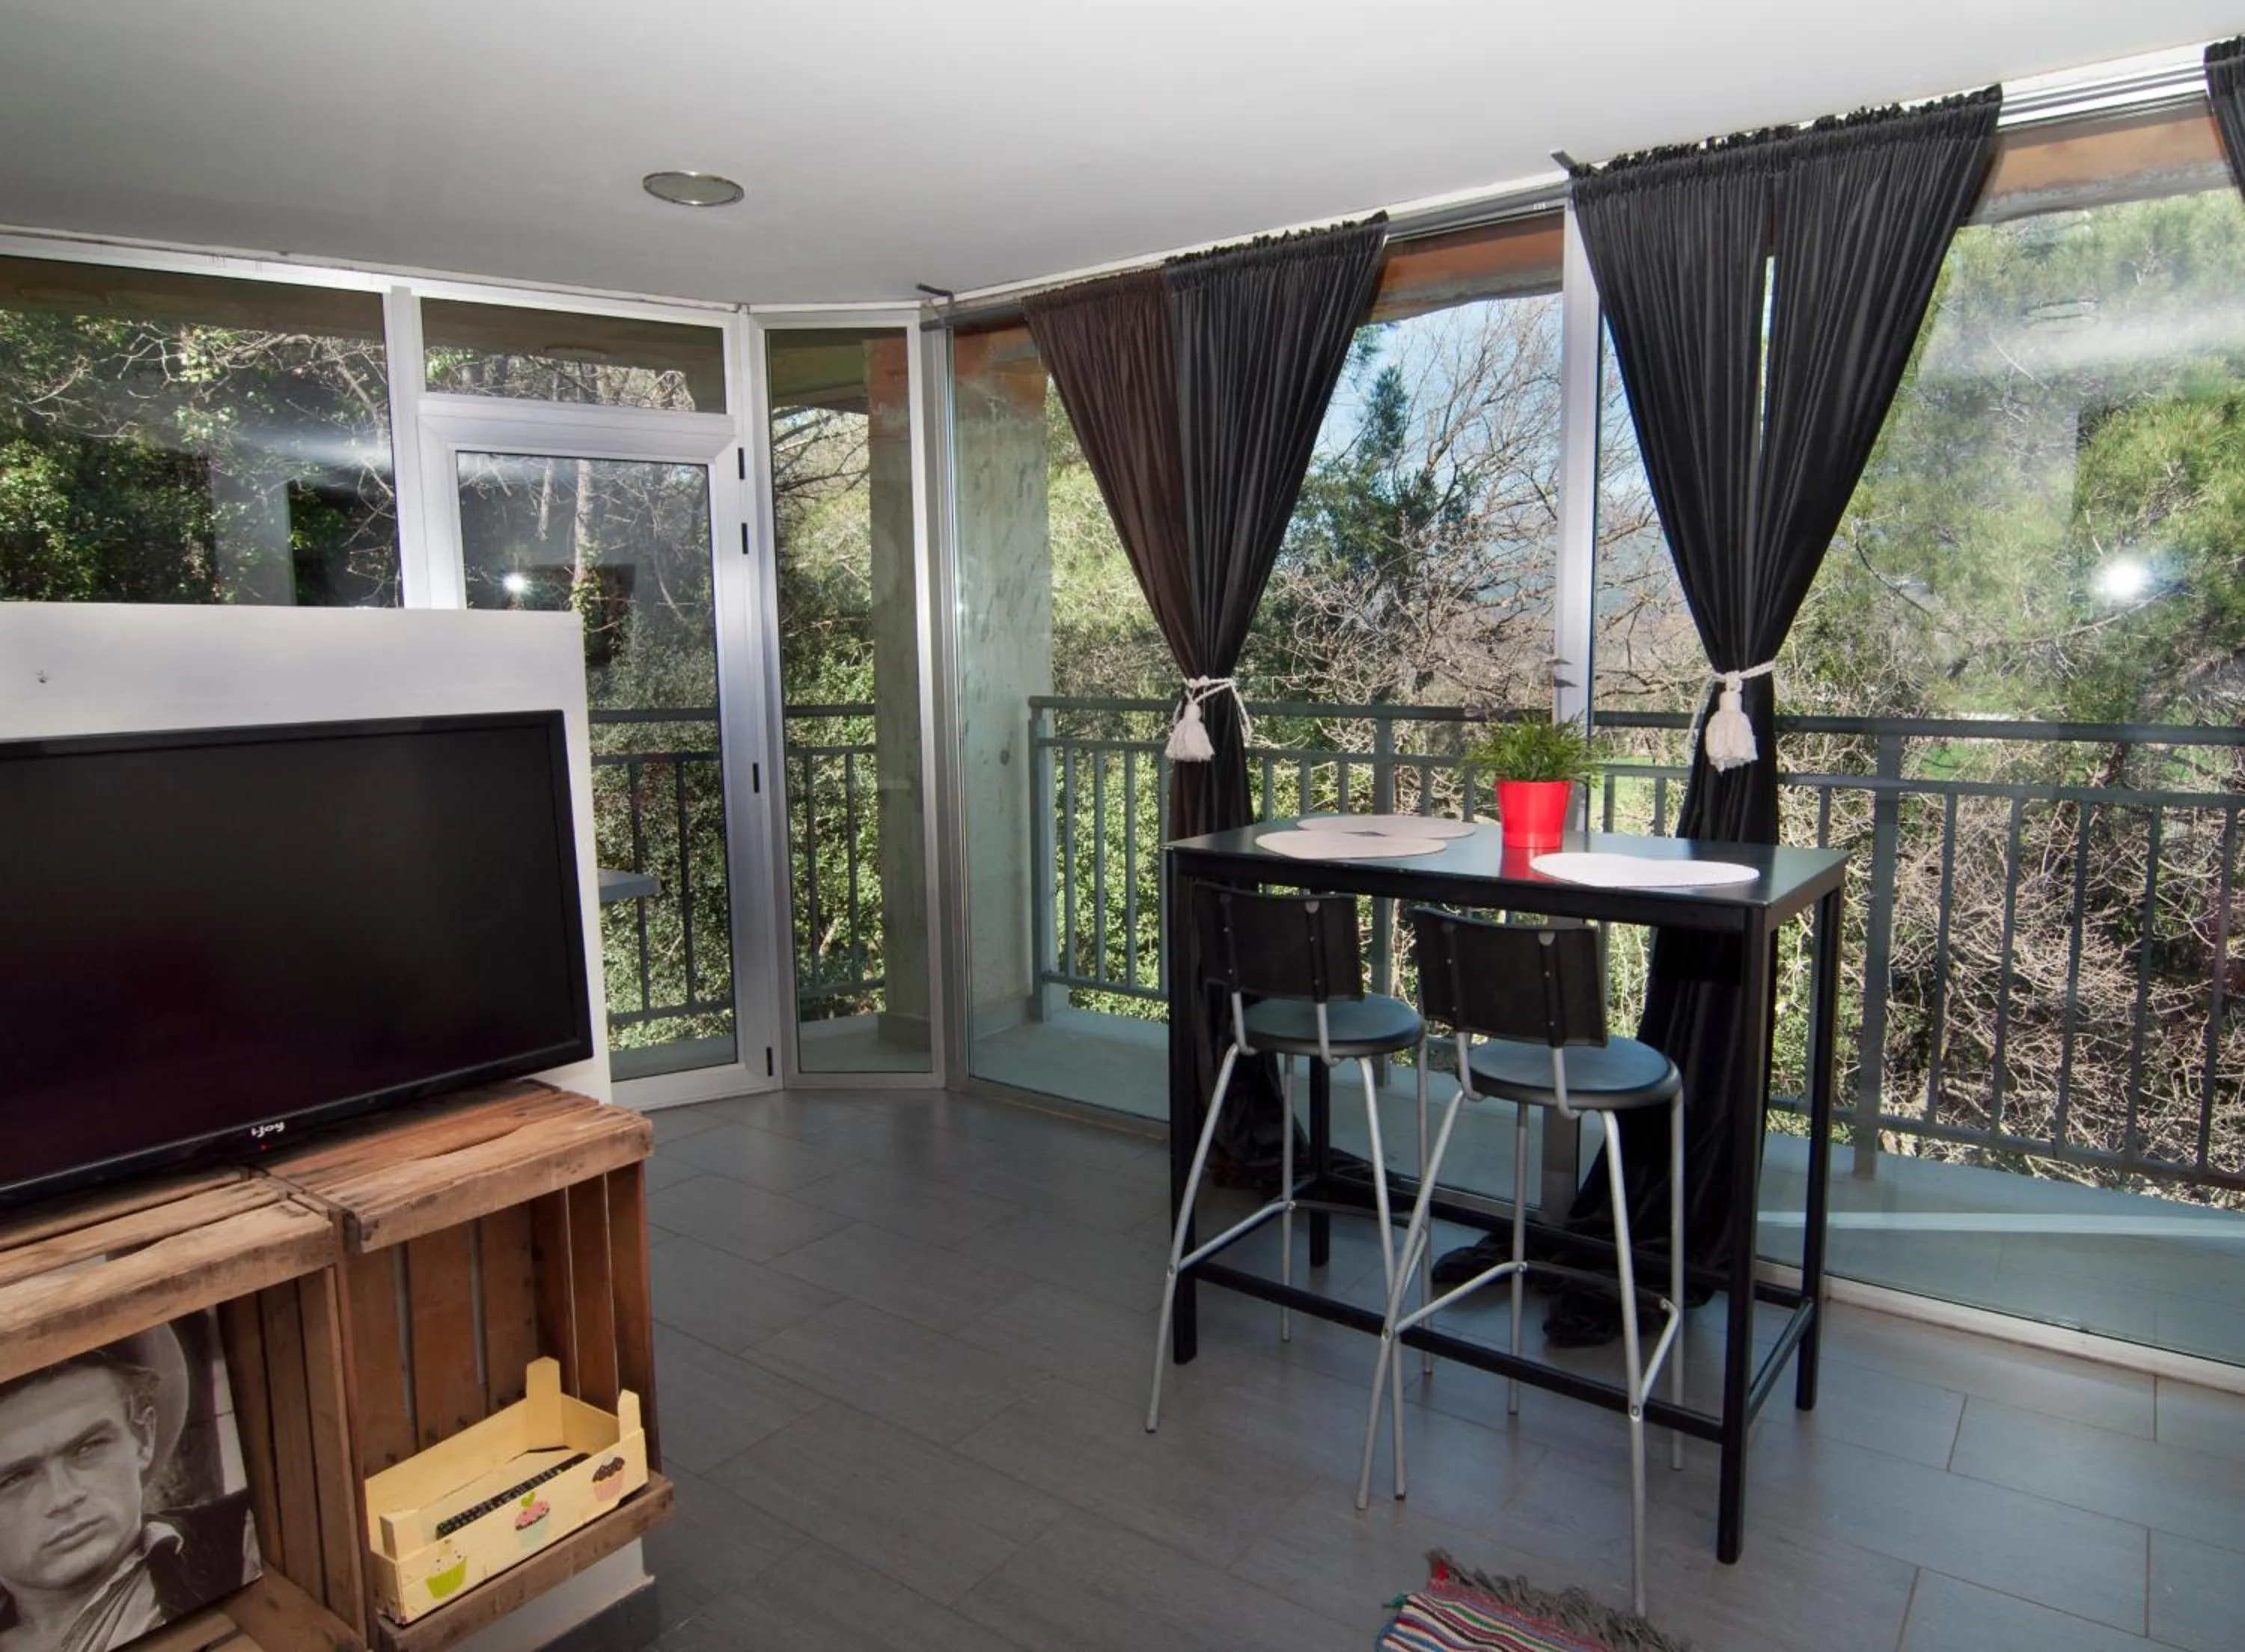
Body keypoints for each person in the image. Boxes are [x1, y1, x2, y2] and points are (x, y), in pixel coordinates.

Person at [0, 1329, 257, 1652]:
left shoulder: (241, 1540)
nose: (63, 1497)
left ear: (143, 1437)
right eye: (14, 1479)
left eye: (88, 1447)